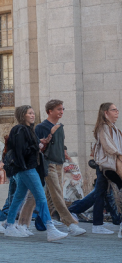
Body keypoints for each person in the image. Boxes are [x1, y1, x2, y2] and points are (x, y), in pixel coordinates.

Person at [3, 105, 68, 241]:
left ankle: (9, 225)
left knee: (19, 197)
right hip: (26, 168)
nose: (33, 115)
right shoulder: (20, 129)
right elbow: (21, 150)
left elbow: (28, 147)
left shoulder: (28, 129)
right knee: (41, 197)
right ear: (22, 115)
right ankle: (50, 228)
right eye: (29, 113)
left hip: (27, 168)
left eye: (33, 113)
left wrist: (41, 143)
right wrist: (36, 146)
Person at [32, 99, 86, 236]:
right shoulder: (41, 127)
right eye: (59, 109)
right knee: (57, 194)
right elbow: (38, 146)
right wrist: (50, 134)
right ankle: (71, 224)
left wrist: (65, 153)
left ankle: (43, 221)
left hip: (59, 163)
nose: (61, 112)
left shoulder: (60, 126)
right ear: (50, 111)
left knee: (51, 195)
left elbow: (61, 143)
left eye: (62, 109)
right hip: (48, 163)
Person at [89, 102, 122, 235]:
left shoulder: (114, 128)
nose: (117, 112)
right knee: (100, 194)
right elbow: (108, 146)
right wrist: (119, 154)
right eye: (114, 110)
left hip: (110, 165)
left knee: (99, 194)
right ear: (106, 113)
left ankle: (97, 224)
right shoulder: (104, 127)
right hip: (108, 165)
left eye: (117, 110)